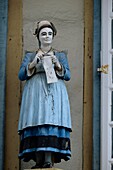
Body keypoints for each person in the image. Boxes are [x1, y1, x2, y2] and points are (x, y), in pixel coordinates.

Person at [18, 20, 72, 169]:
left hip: (54, 92)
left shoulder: (60, 55)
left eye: (49, 34)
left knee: (50, 121)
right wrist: (33, 63)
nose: (47, 37)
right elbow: (21, 75)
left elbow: (67, 75)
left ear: (53, 36)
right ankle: (38, 159)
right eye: (43, 34)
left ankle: (49, 158)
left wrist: (58, 64)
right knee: (36, 120)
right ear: (38, 37)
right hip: (35, 93)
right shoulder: (30, 55)